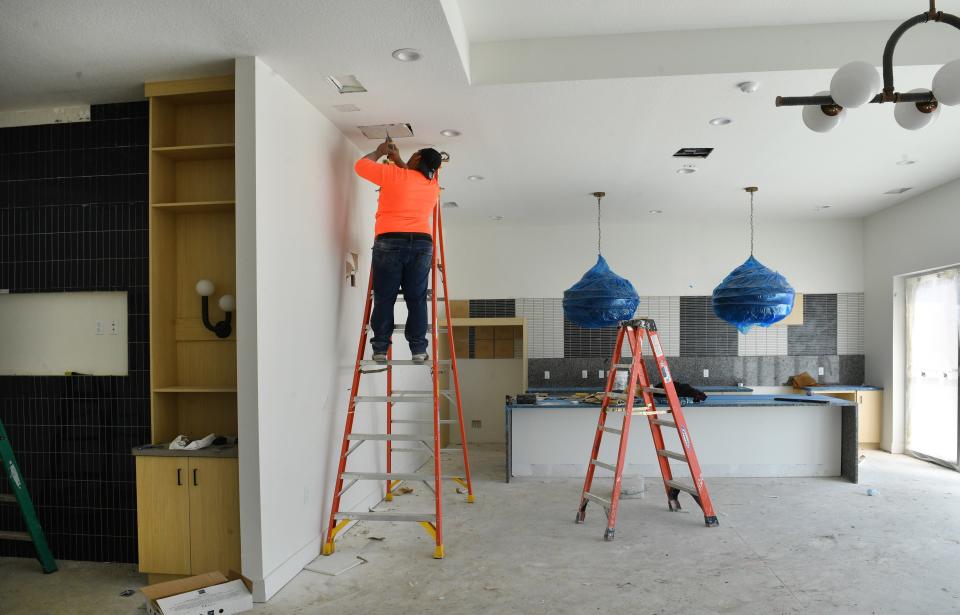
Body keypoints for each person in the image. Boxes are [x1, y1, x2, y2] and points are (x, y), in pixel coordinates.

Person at [355, 138, 443, 364]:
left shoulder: (394, 175)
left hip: (390, 240)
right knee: (417, 298)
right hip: (422, 244)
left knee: (385, 297)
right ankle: (418, 349)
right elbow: (412, 178)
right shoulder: (433, 187)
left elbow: (360, 166)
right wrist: (399, 160)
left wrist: (379, 152)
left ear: (417, 158)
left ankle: (381, 348)